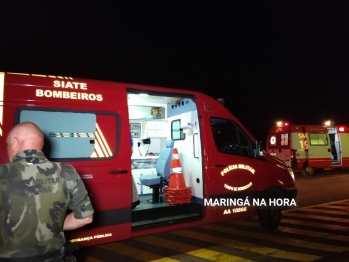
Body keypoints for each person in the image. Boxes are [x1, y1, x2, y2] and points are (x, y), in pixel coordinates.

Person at [0, 122, 94, 261]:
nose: (7, 150)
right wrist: (51, 226)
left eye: (7, 145)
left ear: (15, 142)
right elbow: (85, 217)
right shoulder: (67, 172)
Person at [131, 135, 140, 209]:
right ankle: (134, 200)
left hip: (127, 146)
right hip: (128, 146)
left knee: (128, 177)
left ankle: (134, 200)